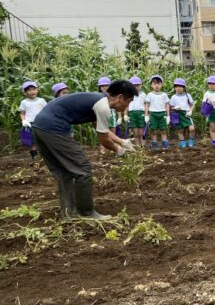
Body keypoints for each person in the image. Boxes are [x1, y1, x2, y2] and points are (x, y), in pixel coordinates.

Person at [32, 80, 136, 220]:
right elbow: (104, 140)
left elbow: (101, 130)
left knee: (65, 172)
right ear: (120, 97)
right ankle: (87, 213)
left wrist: (122, 142)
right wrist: (119, 151)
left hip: (40, 127)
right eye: (128, 102)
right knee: (83, 169)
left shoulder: (99, 101)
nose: (127, 106)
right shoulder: (103, 107)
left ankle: (70, 215)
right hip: (54, 128)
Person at [19, 81, 47, 161]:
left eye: (34, 89)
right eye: (29, 90)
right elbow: (22, 113)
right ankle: (34, 157)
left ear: (37, 90)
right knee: (32, 141)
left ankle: (45, 155)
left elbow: (46, 110)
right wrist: (24, 121)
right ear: (25, 92)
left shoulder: (42, 100)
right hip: (30, 123)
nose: (32, 92)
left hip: (41, 122)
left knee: (43, 139)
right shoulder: (24, 102)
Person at [145, 75, 170, 151]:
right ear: (151, 85)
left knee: (163, 131)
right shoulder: (150, 95)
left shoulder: (164, 95)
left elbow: (167, 105)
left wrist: (168, 116)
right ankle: (154, 146)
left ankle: (165, 146)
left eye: (158, 83)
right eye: (154, 83)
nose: (156, 85)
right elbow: (147, 105)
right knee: (154, 131)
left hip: (162, 114)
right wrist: (146, 115)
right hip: (153, 114)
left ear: (161, 85)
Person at [169, 78, 196, 149]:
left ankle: (191, 143)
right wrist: (175, 108)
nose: (178, 88)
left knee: (192, 129)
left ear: (184, 87)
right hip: (177, 115)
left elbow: (192, 104)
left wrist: (190, 111)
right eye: (176, 86)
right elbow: (170, 107)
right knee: (180, 130)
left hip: (186, 114)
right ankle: (183, 144)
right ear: (174, 88)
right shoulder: (173, 97)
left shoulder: (187, 95)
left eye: (180, 86)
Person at [125, 75, 147, 147]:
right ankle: (138, 146)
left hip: (141, 114)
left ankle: (143, 146)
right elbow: (126, 106)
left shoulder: (143, 94)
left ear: (141, 85)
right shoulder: (128, 95)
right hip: (132, 114)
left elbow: (146, 105)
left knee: (142, 132)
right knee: (136, 133)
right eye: (134, 86)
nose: (136, 87)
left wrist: (147, 115)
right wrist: (126, 115)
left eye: (138, 85)